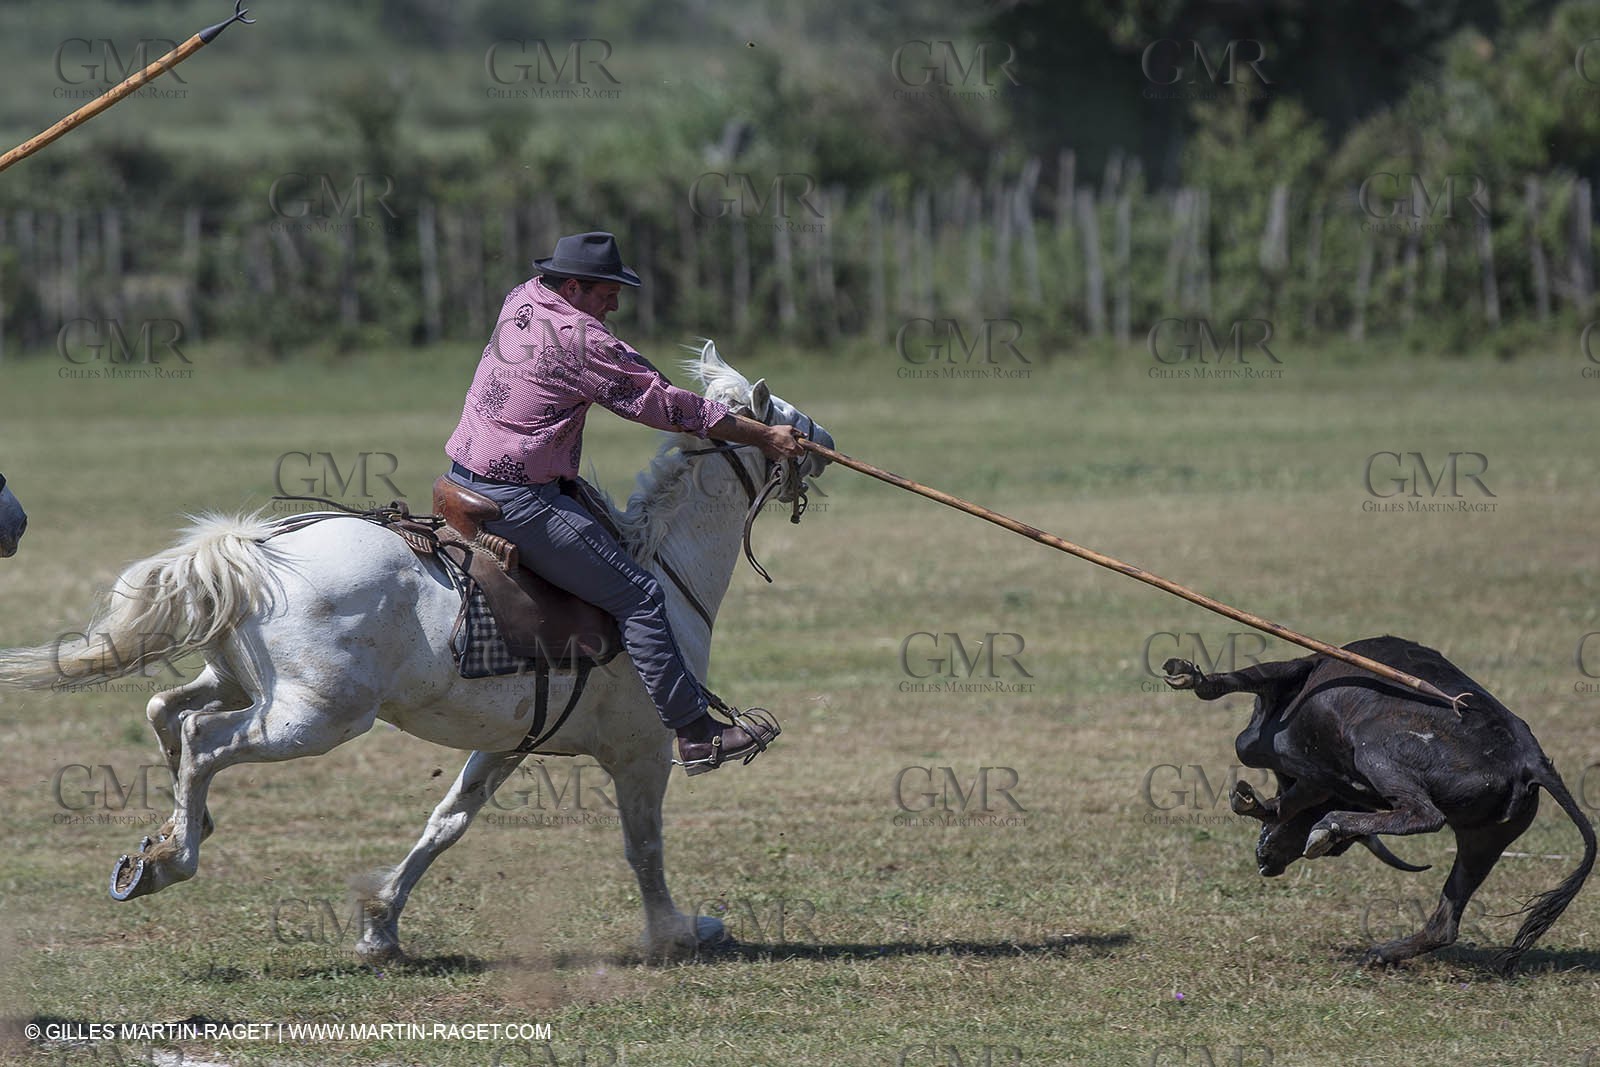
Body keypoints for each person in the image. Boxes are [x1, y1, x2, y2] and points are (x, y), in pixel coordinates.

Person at [444, 231, 804, 774]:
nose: (614, 304)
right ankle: (695, 734)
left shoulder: (522, 298)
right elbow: (662, 404)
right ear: (572, 287)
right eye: (607, 292)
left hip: (464, 473)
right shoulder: (581, 339)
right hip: (518, 496)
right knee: (640, 596)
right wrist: (762, 434)